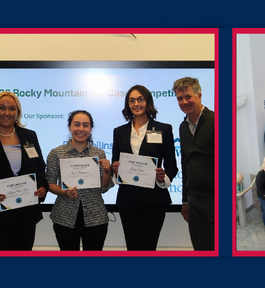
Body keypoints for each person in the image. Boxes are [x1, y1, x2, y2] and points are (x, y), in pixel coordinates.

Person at [0, 91, 48, 250]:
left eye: (12, 109)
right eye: (2, 108)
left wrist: (41, 187)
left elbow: (40, 168)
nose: (7, 113)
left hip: (25, 216)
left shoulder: (29, 136)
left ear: (17, 112)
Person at [111, 85, 178, 250]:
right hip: (127, 200)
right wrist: (115, 170)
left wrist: (163, 178)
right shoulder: (119, 132)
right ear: (128, 105)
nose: (136, 104)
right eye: (132, 100)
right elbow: (115, 162)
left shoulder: (163, 129)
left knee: (148, 248)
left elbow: (172, 166)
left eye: (140, 99)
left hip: (154, 200)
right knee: (132, 248)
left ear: (148, 102)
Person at [45, 110, 113, 250]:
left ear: (91, 128)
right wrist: (64, 193)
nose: (81, 129)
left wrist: (107, 172)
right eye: (76, 124)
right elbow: (49, 183)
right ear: (69, 127)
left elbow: (103, 188)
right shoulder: (56, 153)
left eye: (85, 125)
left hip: (96, 217)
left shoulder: (99, 153)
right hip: (64, 217)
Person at [174, 77, 215, 250]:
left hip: (214, 198)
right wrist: (185, 200)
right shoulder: (183, 127)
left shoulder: (215, 121)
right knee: (200, 248)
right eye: (180, 98)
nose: (184, 102)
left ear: (199, 96)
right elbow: (185, 165)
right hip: (193, 200)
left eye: (188, 96)